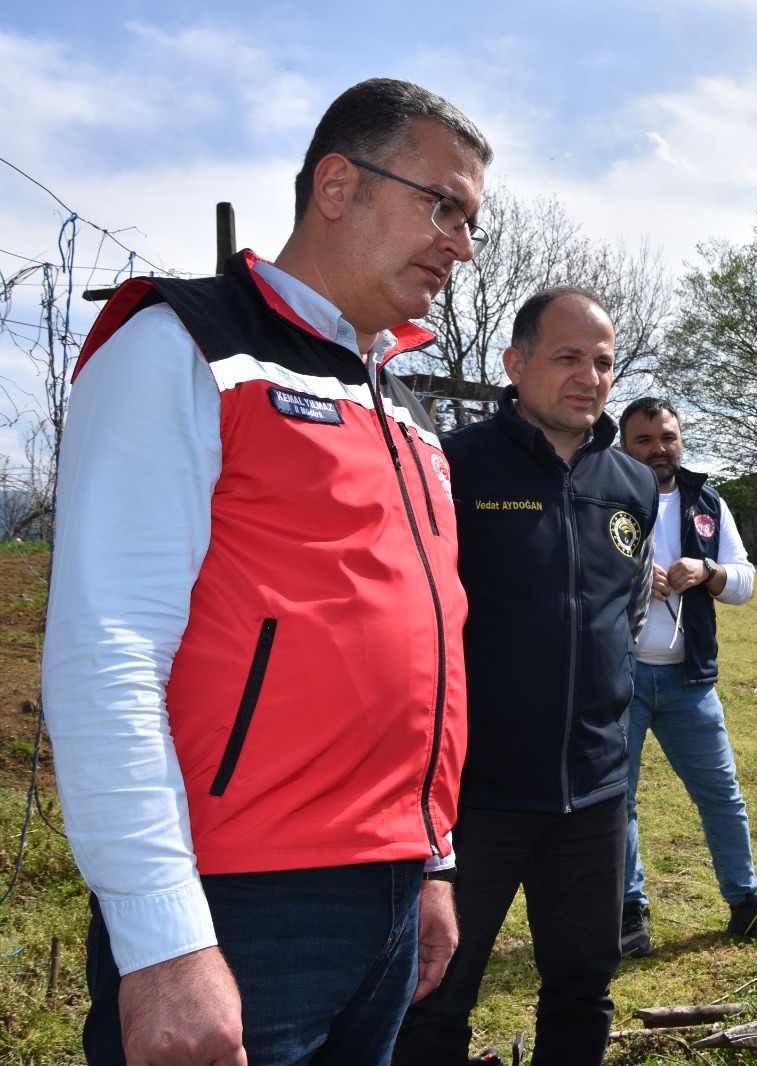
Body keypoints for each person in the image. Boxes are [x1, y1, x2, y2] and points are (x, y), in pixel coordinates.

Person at [40, 78, 490, 1064]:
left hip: (391, 888)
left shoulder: (406, 412)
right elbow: (104, 654)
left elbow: (427, 653)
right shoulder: (183, 346)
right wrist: (163, 941)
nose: (461, 245)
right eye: (442, 207)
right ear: (338, 185)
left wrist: (433, 864)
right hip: (238, 901)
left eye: (470, 222)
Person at [393, 288, 657, 1066]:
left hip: (594, 793)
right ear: (515, 364)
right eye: (568, 357)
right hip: (474, 793)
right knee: (435, 993)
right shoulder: (453, 464)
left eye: (603, 362)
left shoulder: (634, 484)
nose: (590, 377)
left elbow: (629, 614)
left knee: (584, 987)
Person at [614, 397, 757, 958]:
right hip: (618, 680)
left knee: (722, 795)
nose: (658, 449)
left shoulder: (708, 502)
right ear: (624, 446)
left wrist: (708, 569)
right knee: (618, 802)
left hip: (690, 682)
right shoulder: (604, 495)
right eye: (644, 440)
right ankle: (628, 912)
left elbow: (744, 582)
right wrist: (631, 579)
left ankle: (745, 905)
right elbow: (573, 578)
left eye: (667, 437)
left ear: (680, 440)